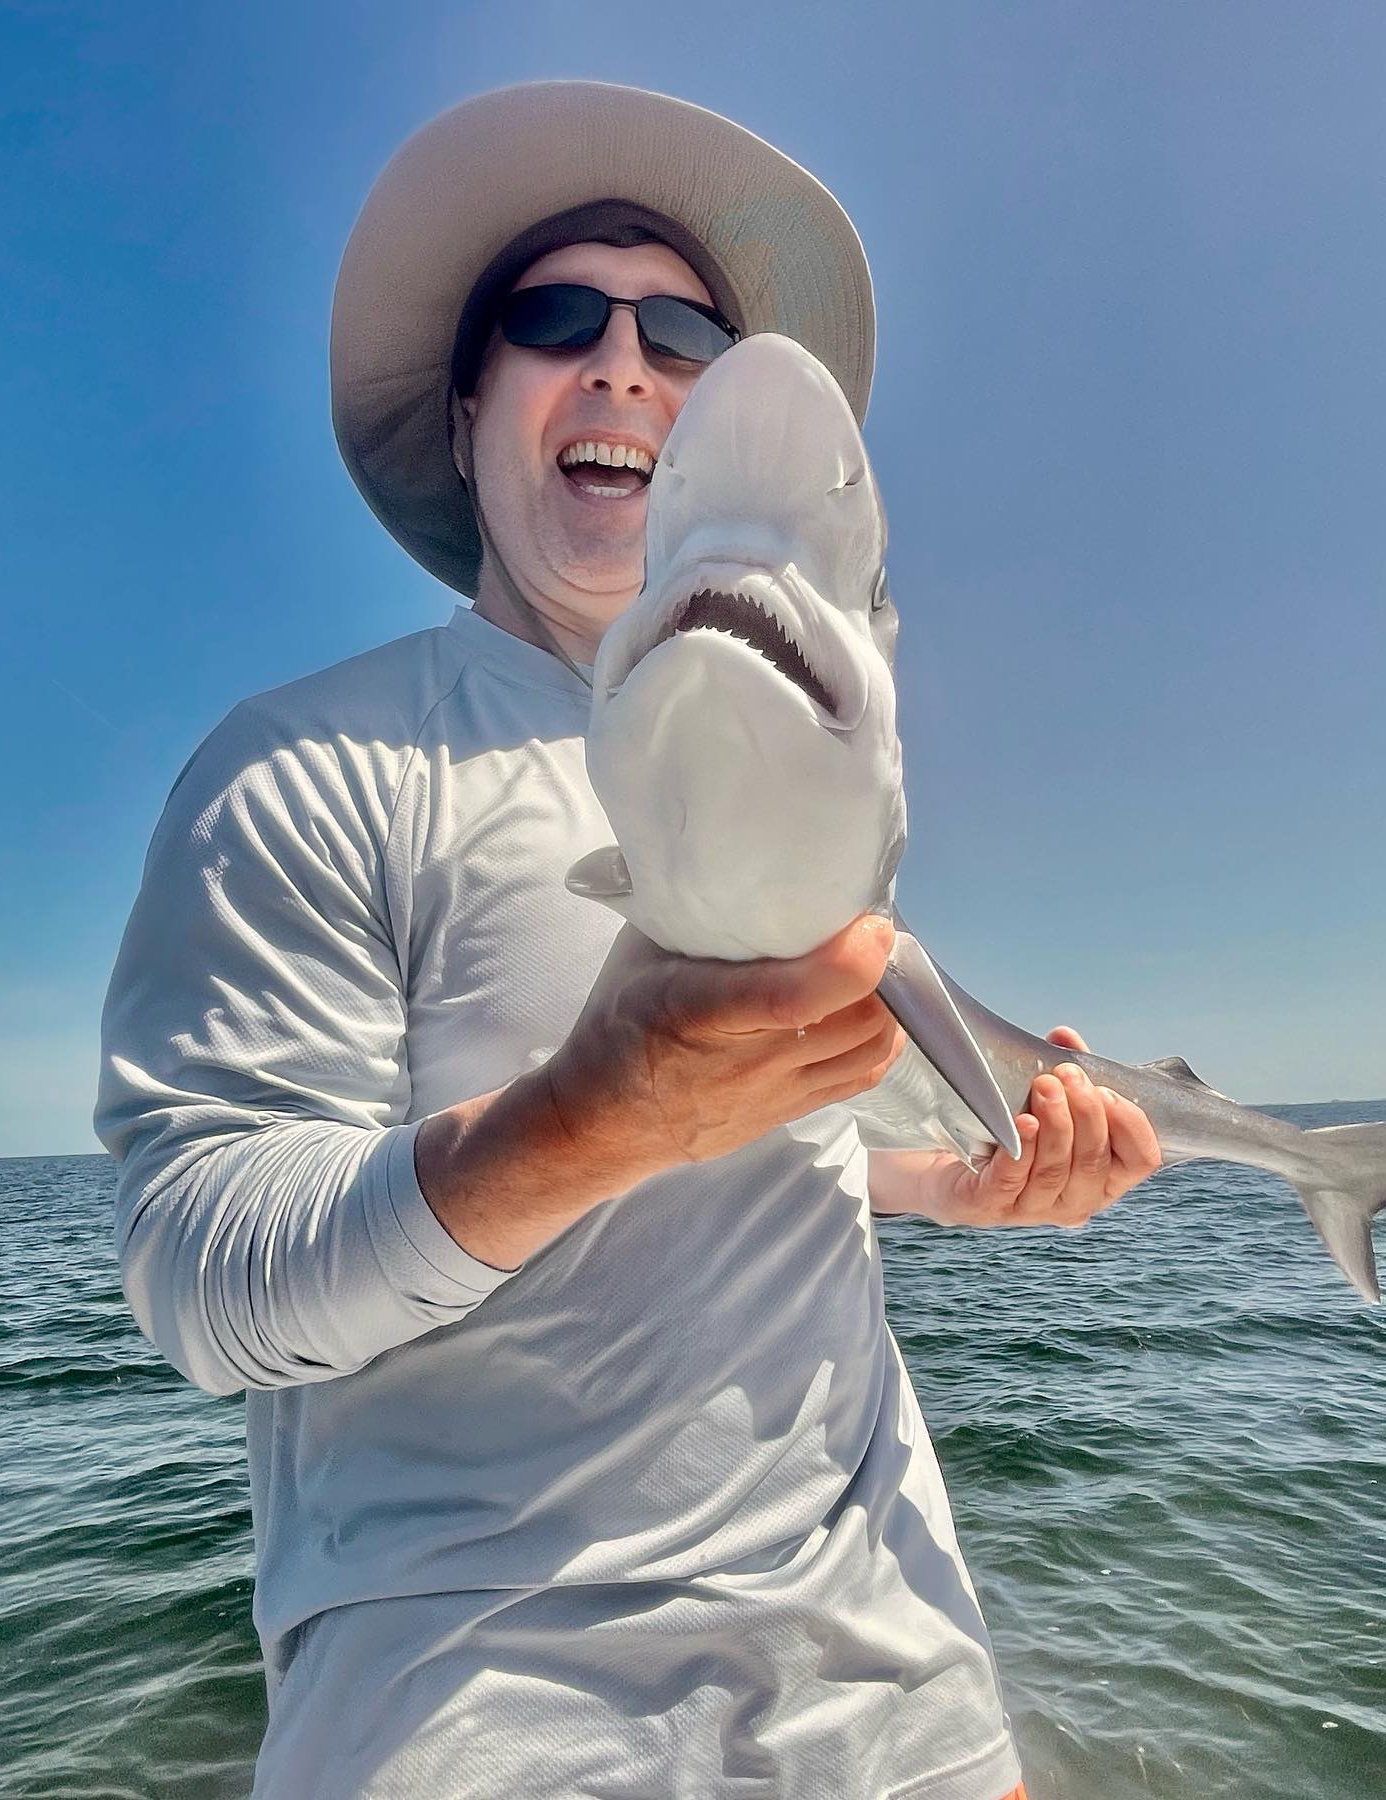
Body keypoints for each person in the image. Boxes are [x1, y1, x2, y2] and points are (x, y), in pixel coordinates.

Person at [95, 82, 1161, 1800]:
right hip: (482, 1726)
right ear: (466, 415)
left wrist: (956, 1180)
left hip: (906, 1710)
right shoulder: (305, 766)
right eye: (554, 319)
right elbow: (203, 1280)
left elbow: (772, 1142)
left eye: (683, 337)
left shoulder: (794, 788)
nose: (624, 365)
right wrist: (586, 1120)